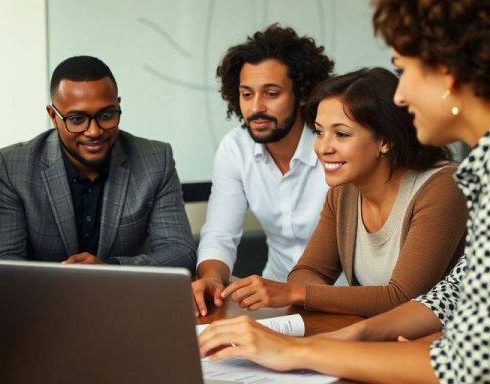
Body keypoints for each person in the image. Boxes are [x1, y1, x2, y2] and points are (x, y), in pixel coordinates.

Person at [198, 0, 490, 382]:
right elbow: (445, 297)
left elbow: (461, 361)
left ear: (447, 72)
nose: (401, 96)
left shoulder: (446, 185)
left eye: (406, 70)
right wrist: (353, 334)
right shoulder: (474, 175)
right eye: (320, 132)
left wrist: (302, 342)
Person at [220, 68, 466, 317]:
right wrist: (307, 292)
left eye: (341, 134)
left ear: (385, 140)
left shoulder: (442, 187)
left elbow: (403, 298)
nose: (323, 147)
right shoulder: (344, 193)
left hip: (448, 348)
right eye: (319, 131)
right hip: (375, 336)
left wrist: (299, 293)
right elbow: (307, 270)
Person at [0, 55, 196, 270]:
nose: (94, 131)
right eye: (77, 119)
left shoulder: (155, 160)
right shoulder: (13, 167)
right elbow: (1, 260)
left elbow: (180, 251)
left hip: (126, 298)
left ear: (118, 105)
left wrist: (109, 269)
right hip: (43, 300)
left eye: (106, 115)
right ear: (53, 115)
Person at [193, 24, 335, 316]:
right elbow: (220, 234)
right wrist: (210, 278)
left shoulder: (333, 145)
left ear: (304, 94)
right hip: (273, 297)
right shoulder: (235, 148)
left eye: (271, 93)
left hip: (341, 297)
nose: (256, 107)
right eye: (246, 94)